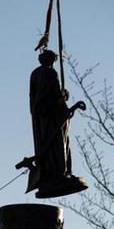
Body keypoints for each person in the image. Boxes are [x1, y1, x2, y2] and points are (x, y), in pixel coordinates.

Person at [29, 50, 88, 196]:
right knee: (58, 146)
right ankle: (59, 175)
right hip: (52, 117)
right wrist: (61, 99)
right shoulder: (50, 73)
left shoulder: (35, 73)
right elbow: (52, 95)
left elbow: (40, 96)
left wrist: (61, 99)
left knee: (52, 145)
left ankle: (54, 175)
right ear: (51, 60)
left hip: (43, 116)